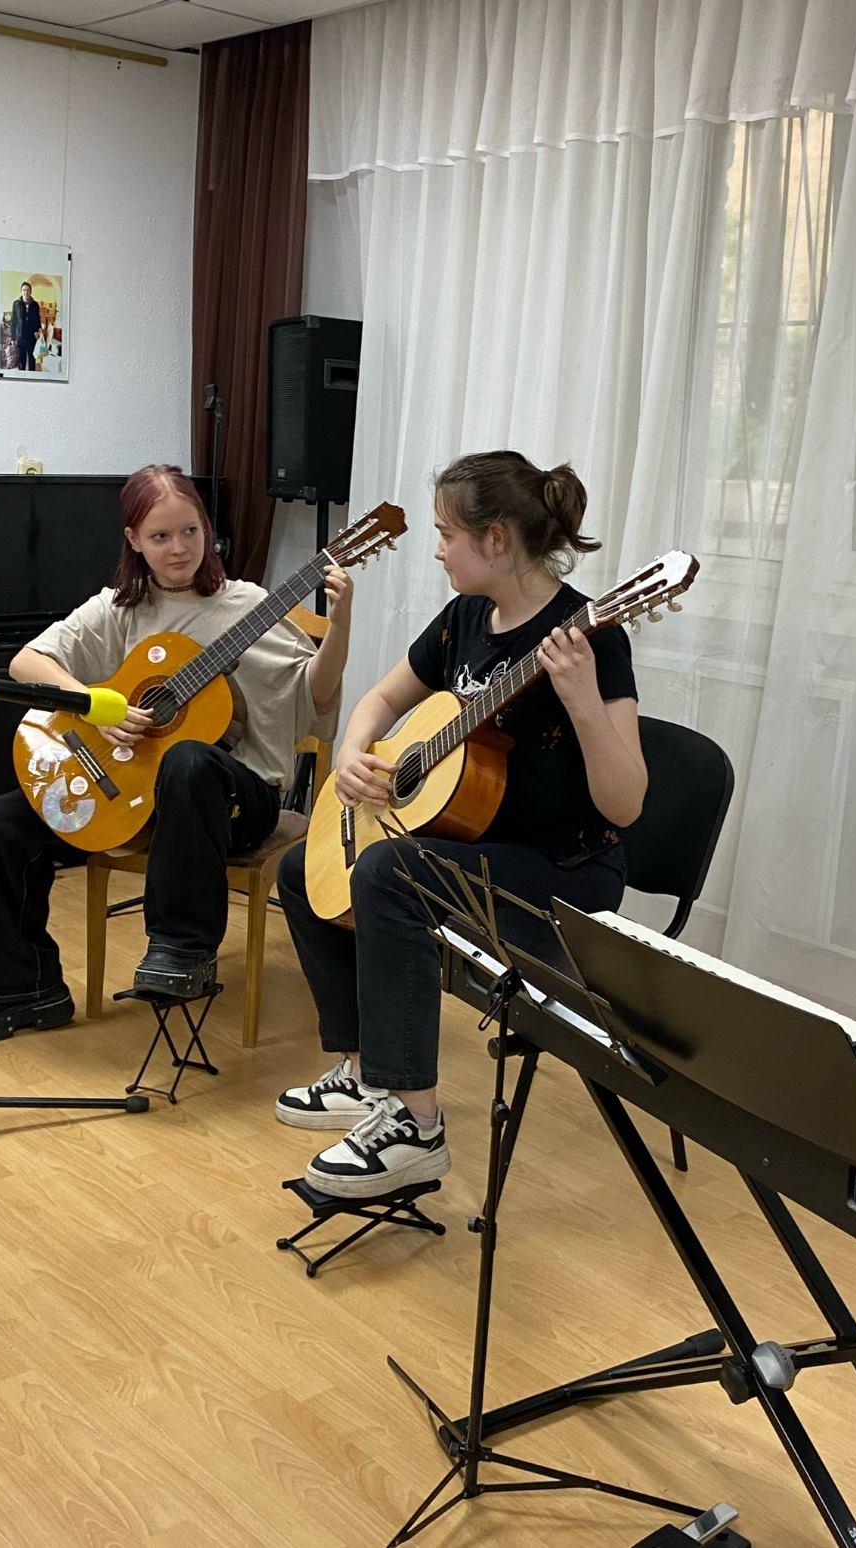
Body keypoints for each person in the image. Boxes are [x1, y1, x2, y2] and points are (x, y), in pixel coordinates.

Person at [275, 450, 645, 1197]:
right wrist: (352, 754)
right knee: (301, 867)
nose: (438, 549)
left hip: (563, 873)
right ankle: (362, 1072)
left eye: (447, 534)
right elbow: (382, 701)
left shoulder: (591, 639)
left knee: (386, 873)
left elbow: (625, 803)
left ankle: (416, 1124)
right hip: (469, 847)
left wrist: (581, 702)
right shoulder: (464, 619)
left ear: (496, 539)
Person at [0, 464, 351, 1044]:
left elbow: (316, 695)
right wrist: (95, 706)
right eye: (160, 536)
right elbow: (26, 663)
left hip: (237, 798)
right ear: (134, 540)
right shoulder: (119, 608)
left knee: (189, 759)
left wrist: (341, 624)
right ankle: (20, 988)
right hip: (141, 796)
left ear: (207, 529)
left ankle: (181, 950)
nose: (179, 548)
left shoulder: (249, 606)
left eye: (190, 531)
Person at [11, 282, 41, 371]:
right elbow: (13, 321)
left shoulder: (35, 304)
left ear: (31, 292)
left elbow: (37, 319)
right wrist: (13, 338)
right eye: (24, 290)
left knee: (32, 360)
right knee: (21, 361)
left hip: (32, 337)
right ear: (21, 291)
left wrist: (37, 330)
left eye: (28, 290)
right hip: (20, 337)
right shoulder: (16, 304)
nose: (26, 292)